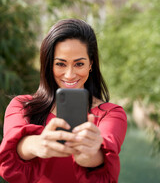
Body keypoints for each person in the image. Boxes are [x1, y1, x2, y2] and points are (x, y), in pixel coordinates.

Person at [0, 19, 127, 183]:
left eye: (79, 64)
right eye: (60, 64)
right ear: (49, 65)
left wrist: (87, 154)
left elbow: (103, 156)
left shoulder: (111, 114)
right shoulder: (21, 106)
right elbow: (12, 150)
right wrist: (38, 144)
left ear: (91, 64)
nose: (69, 75)